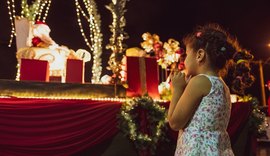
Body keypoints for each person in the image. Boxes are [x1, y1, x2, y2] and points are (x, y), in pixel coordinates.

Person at [168, 23, 238, 155]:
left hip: (198, 150)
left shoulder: (199, 81)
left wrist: (177, 89)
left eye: (187, 54)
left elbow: (175, 122)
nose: (185, 60)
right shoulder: (221, 84)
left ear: (200, 55)